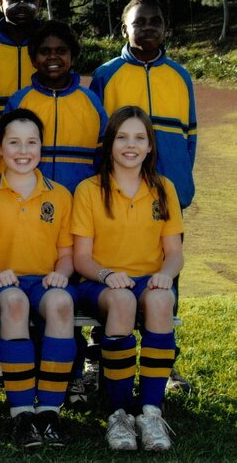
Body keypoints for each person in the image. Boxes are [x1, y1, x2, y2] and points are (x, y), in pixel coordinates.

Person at [72, 106, 183, 452]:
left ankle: (150, 411)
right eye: (122, 137)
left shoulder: (164, 189)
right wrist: (107, 275)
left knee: (162, 299)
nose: (130, 145)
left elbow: (175, 253)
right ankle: (118, 412)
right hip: (100, 283)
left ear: (150, 146)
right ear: (109, 143)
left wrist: (164, 275)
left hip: (148, 279)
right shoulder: (89, 190)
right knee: (121, 300)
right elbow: (82, 258)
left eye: (139, 138)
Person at [0, 109, 76, 447]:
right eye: (13, 142)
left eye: (31, 142)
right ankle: (21, 416)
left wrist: (61, 274)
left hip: (44, 282)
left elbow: (66, 253)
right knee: (15, 303)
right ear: (0, 147)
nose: (23, 150)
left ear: (42, 147)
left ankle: (48, 412)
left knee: (61, 304)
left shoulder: (59, 195)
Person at [89, 0, 196, 210]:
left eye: (156, 21)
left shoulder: (180, 76)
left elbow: (190, 139)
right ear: (124, 30)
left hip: (170, 193)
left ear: (165, 28)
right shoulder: (105, 75)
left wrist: (181, 179)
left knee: (171, 245)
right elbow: (94, 137)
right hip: (120, 193)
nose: (148, 27)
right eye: (139, 22)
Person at [5, 21, 107, 193]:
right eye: (45, 51)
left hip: (79, 200)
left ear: (73, 58)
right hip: (29, 199)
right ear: (33, 59)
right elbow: (5, 154)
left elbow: (104, 156)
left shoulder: (91, 101)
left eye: (61, 51)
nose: (53, 57)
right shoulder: (19, 101)